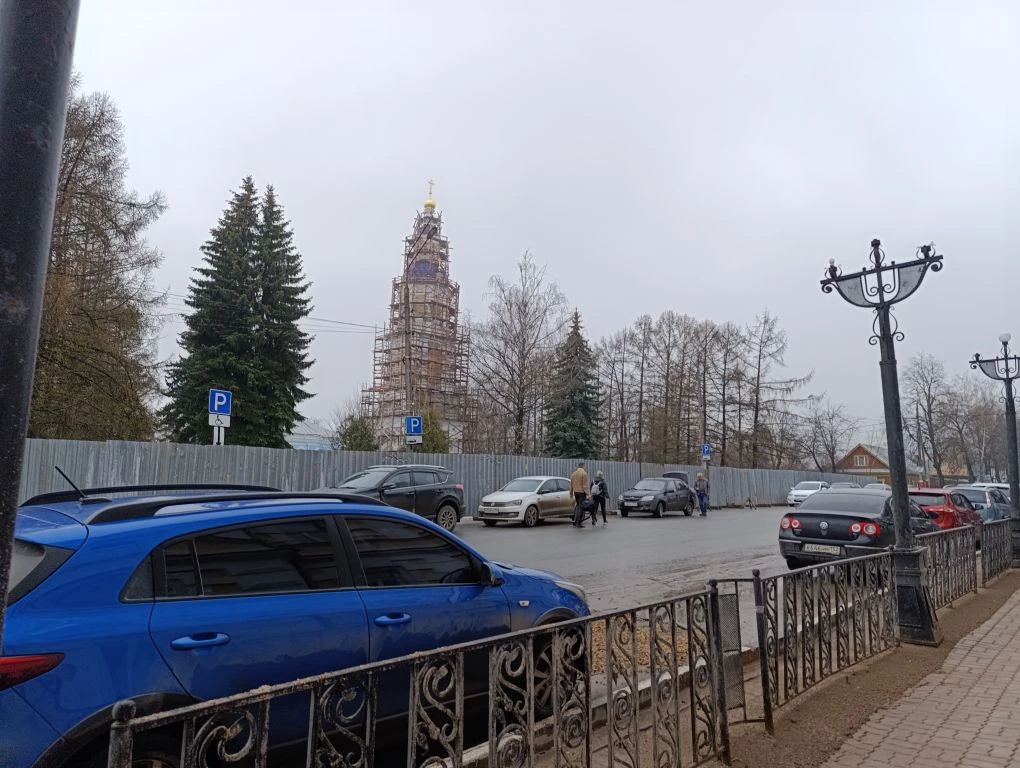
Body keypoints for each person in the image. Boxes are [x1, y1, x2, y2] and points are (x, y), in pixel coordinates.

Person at [570, 461, 590, 527]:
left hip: (575, 492)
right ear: (583, 466)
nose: (585, 467)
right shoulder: (584, 474)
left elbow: (571, 485)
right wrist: (588, 494)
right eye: (585, 466)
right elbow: (585, 486)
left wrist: (571, 493)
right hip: (581, 492)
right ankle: (578, 523)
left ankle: (575, 521)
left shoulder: (573, 474)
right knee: (581, 507)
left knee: (578, 506)